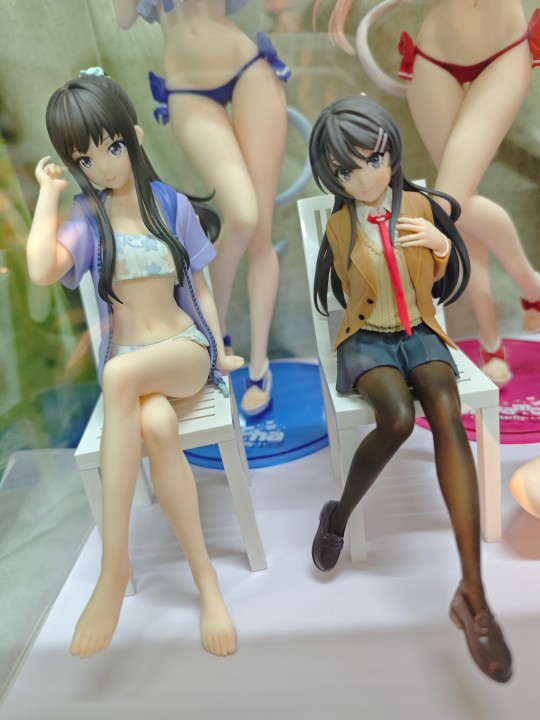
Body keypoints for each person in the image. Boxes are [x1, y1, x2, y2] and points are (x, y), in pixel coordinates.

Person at [26, 70, 243, 659]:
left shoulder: (170, 205)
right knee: (156, 424)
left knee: (119, 377)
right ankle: (207, 584)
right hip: (132, 370)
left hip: (183, 354)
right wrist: (47, 195)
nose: (102, 166)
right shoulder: (87, 219)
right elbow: (41, 269)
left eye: (112, 147)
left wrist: (219, 349)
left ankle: (114, 566)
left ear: (135, 137)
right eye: (85, 158)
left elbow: (199, 287)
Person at [308, 94, 512, 682]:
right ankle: (337, 516)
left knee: (446, 408)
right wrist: (371, 247)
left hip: (421, 331)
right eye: (346, 171)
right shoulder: (340, 225)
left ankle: (473, 595)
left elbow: (439, 282)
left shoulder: (422, 205)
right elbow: (348, 291)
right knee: (397, 418)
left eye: (373, 160)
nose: (364, 178)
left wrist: (442, 247)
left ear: (391, 152)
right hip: (367, 339)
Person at [314, 0, 540, 388]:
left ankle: (529, 284)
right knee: (460, 203)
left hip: (504, 49)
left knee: (450, 198)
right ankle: (494, 335)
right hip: (435, 56)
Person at [113, 0, 291, 416]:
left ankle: (259, 366)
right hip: (188, 89)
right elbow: (123, 19)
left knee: (260, 232)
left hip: (247, 68)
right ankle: (216, 335)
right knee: (242, 216)